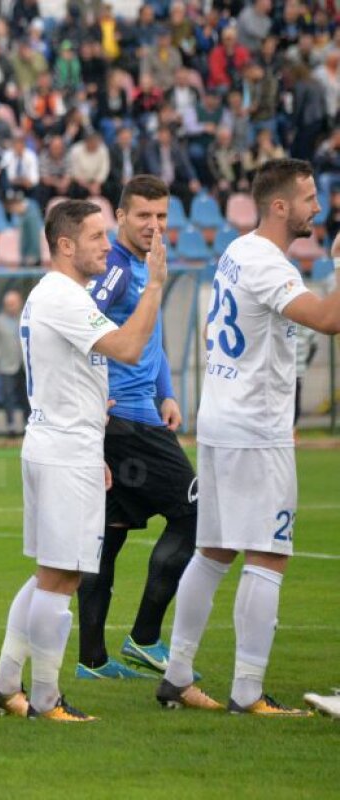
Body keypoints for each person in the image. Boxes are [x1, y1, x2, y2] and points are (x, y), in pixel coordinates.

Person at [160, 158, 337, 716]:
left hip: (223, 418)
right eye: (308, 198)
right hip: (254, 429)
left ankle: (177, 676)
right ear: (279, 206)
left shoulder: (238, 250)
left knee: (213, 551)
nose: (318, 207)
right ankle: (247, 691)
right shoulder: (268, 264)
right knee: (269, 555)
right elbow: (330, 320)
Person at [0, 199, 167, 723]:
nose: (107, 247)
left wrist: (92, 428)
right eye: (96, 237)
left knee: (50, 575)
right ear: (66, 245)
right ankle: (44, 698)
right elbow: (130, 347)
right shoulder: (63, 295)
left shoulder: (61, 294)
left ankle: (4, 685)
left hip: (64, 443)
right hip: (63, 450)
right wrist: (154, 285)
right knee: (61, 577)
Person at [74, 176, 200, 681]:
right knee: (197, 511)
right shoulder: (119, 273)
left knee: (109, 535)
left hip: (141, 413)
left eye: (162, 216)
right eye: (144, 216)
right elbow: (83, 324)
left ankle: (91, 661)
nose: (154, 225)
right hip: (125, 422)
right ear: (120, 217)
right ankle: (145, 639)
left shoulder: (145, 270)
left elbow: (151, 338)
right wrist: (92, 396)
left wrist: (166, 391)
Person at [0, 289, 28, 434]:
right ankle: (11, 426)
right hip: (7, 366)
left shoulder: (27, 316)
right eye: (8, 304)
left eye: (13, 303)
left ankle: (28, 425)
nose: (10, 306)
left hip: (25, 365)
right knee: (8, 396)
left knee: (26, 396)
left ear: (19, 303)